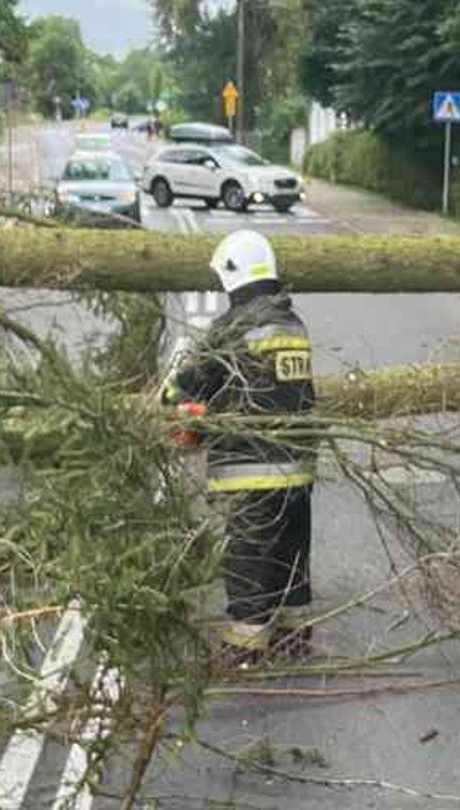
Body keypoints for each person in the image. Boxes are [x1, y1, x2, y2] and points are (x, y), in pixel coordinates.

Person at [166, 230, 318, 666]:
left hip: (254, 467)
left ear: (233, 273)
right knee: (292, 553)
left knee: (249, 558)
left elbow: (192, 380)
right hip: (298, 466)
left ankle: (245, 649)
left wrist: (174, 403)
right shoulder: (293, 323)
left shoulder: (236, 326)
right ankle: (294, 636)